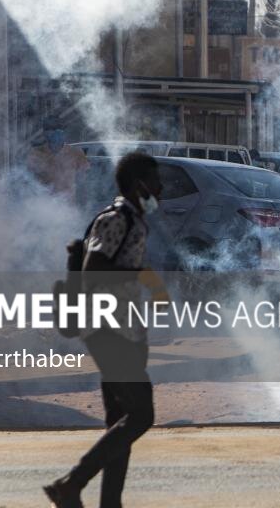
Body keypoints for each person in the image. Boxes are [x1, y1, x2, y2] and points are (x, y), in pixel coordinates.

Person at [44, 152, 168, 508]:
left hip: (123, 331)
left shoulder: (135, 221)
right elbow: (96, 267)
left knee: (120, 420)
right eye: (155, 182)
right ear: (138, 184)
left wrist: (151, 288)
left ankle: (109, 502)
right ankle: (71, 483)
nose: (160, 189)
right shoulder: (117, 219)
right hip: (106, 330)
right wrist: (141, 280)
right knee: (142, 414)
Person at [26, 117, 89, 198]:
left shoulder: (76, 153)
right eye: (50, 130)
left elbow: (83, 180)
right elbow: (28, 179)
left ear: (64, 132)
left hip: (68, 205)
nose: (54, 134)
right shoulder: (36, 153)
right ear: (44, 133)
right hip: (43, 203)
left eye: (58, 130)